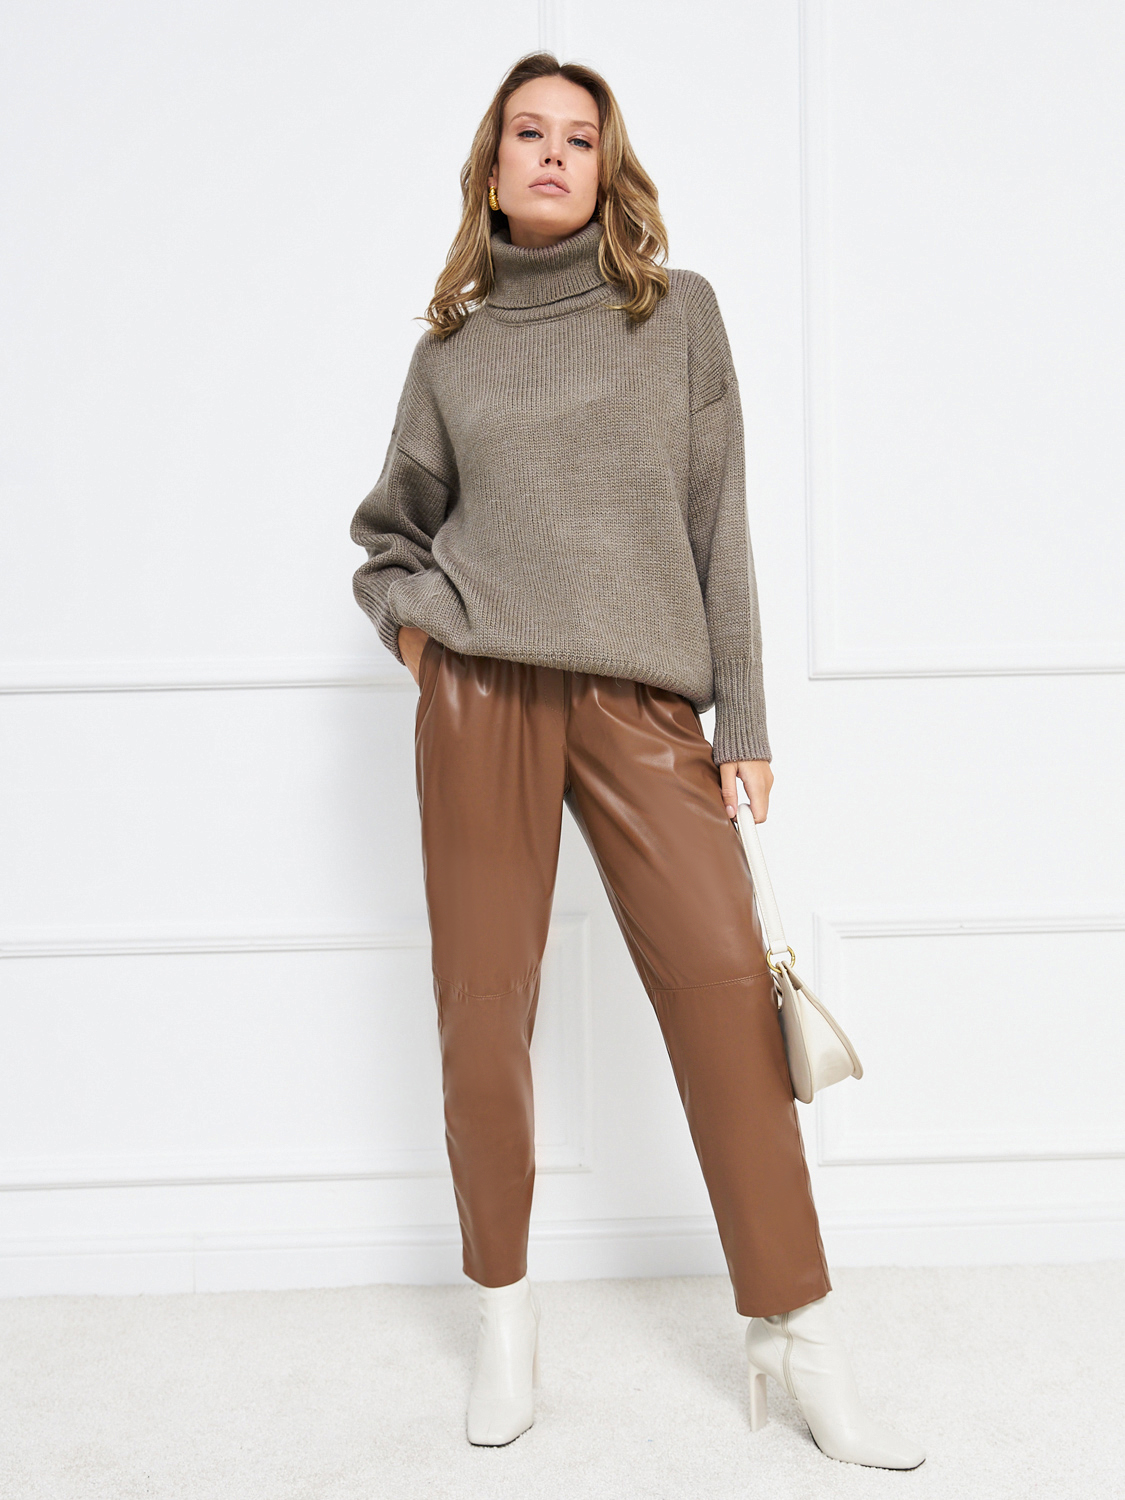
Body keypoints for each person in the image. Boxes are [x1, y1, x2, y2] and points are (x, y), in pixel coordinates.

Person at [350, 51, 924, 1471]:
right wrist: (427, 647)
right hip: (483, 691)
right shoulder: (449, 357)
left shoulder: (677, 317)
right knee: (483, 1006)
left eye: (578, 137)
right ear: (492, 166)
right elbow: (389, 535)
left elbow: (721, 521)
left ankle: (796, 1329)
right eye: (527, 133)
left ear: (608, 168)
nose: (553, 154)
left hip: (643, 701)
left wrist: (748, 722)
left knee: (727, 997)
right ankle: (503, 1314)